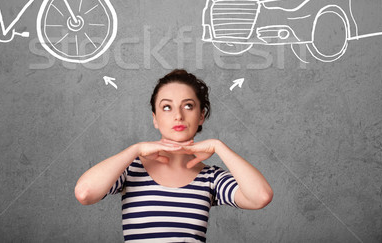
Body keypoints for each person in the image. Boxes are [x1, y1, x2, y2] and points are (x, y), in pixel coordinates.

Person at [75, 69, 273, 242]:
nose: (178, 115)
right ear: (155, 118)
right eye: (167, 107)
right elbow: (85, 193)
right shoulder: (131, 169)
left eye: (188, 106)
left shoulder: (211, 178)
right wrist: (134, 150)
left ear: (201, 116)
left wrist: (218, 146)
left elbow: (261, 197)